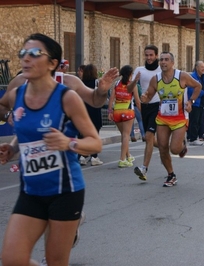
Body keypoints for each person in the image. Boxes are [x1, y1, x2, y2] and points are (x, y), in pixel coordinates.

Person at [0, 33, 102, 266]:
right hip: (31, 191)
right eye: (23, 53)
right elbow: (29, 135)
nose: (26, 58)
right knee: (12, 259)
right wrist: (12, 149)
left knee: (56, 262)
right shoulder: (16, 95)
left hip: (65, 192)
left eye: (35, 53)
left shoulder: (67, 97)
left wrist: (69, 143)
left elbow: (94, 142)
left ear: (52, 63)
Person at [142, 52, 201, 187]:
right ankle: (171, 175)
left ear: (172, 63)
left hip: (179, 117)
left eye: (166, 60)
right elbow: (149, 96)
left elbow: (198, 86)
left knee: (174, 149)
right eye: (161, 60)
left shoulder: (181, 76)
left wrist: (191, 101)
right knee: (162, 147)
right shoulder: (155, 79)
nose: (163, 62)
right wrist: (144, 98)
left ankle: (182, 146)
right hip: (163, 118)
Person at [127, 45, 161, 181]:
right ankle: (167, 147)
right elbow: (129, 89)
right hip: (144, 106)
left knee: (148, 136)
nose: (149, 58)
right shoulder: (139, 70)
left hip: (158, 106)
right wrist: (135, 81)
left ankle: (143, 168)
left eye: (151, 55)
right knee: (151, 138)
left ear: (156, 56)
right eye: (146, 55)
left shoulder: (161, 70)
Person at [108, 65, 140, 167]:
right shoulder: (132, 85)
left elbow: (111, 98)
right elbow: (138, 102)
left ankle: (128, 155)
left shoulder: (117, 84)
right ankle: (122, 159)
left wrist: (110, 111)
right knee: (126, 136)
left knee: (123, 135)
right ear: (130, 74)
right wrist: (143, 112)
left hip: (117, 111)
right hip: (128, 111)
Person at [78, 64, 103, 166]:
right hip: (94, 109)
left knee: (83, 134)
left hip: (83, 110)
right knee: (94, 133)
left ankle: (82, 156)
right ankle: (94, 156)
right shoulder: (96, 82)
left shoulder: (80, 83)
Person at [187, 61, 204, 145]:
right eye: (201, 67)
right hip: (195, 102)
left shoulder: (203, 77)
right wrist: (202, 93)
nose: (203, 69)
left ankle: (200, 135)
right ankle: (192, 137)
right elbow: (191, 90)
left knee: (201, 120)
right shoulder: (192, 77)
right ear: (197, 68)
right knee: (194, 120)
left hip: (202, 102)